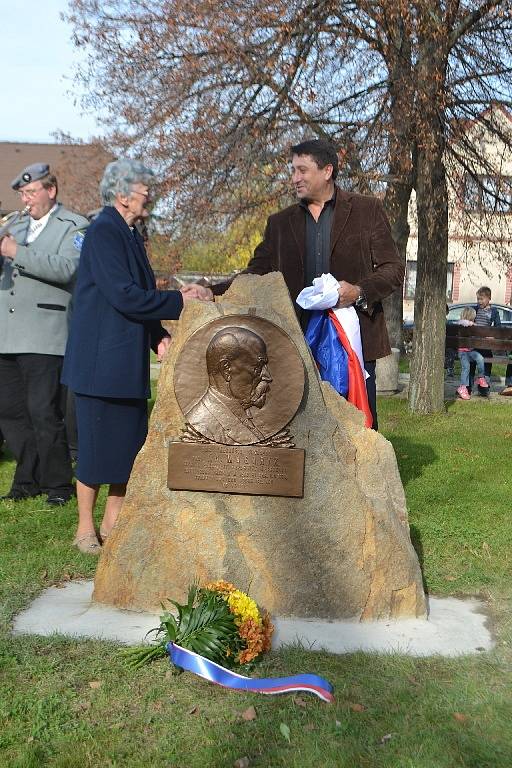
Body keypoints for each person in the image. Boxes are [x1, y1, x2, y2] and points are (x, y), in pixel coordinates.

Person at [183, 139, 404, 430]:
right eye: (293, 171)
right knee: (303, 431)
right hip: (297, 340)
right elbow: (255, 272)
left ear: (327, 171)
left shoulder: (368, 210)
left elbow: (393, 269)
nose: (295, 178)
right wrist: (211, 291)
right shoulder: (279, 223)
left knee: (358, 430)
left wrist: (359, 291)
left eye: (302, 170)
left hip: (354, 341)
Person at [61, 159, 202, 554]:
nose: (150, 197)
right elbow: (123, 295)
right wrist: (180, 301)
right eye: (145, 191)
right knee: (93, 450)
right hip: (98, 363)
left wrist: (158, 335)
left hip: (125, 362)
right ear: (122, 195)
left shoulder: (131, 233)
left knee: (127, 447)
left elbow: (138, 292)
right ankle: (85, 529)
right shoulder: (104, 231)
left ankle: (114, 523)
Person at [0, 163, 88, 504]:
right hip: (7, 333)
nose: (26, 200)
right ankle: (26, 480)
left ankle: (57, 484)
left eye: (31, 192)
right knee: (10, 412)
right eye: (22, 194)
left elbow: (67, 269)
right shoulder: (17, 224)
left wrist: (15, 252)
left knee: (43, 411)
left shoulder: (75, 226)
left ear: (51, 190)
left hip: (45, 333)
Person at [185, 327, 272, 444]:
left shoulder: (240, 414)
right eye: (258, 367)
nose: (267, 376)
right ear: (226, 369)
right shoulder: (202, 426)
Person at [455, 307, 489, 400]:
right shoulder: (462, 324)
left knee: (480, 358)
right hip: (463, 352)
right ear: (471, 316)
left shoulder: (470, 325)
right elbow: (464, 323)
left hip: (470, 351)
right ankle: (462, 387)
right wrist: (473, 324)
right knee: (466, 368)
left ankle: (481, 377)